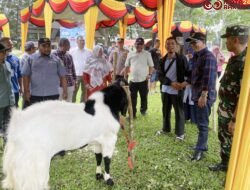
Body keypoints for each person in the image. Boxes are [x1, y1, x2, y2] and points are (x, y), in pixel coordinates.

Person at [209, 25, 249, 171]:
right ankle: (225, 164)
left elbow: (244, 96)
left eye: (227, 40)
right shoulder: (235, 59)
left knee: (233, 139)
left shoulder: (245, 63)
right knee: (224, 137)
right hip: (226, 107)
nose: (226, 43)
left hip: (234, 112)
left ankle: (234, 169)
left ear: (235, 40)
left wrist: (234, 119)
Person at [186, 32, 217, 161]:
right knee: (200, 123)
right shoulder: (196, 56)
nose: (193, 45)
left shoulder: (208, 56)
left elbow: (208, 78)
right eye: (191, 43)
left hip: (203, 95)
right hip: (197, 94)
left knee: (203, 125)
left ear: (203, 41)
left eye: (195, 42)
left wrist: (204, 95)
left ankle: (200, 151)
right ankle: (201, 146)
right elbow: (195, 75)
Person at [156, 37, 189, 140]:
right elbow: (160, 76)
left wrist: (184, 83)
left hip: (178, 90)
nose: (170, 46)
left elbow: (188, 72)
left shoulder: (182, 58)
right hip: (166, 90)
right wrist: (171, 83)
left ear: (176, 46)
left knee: (179, 111)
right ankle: (166, 129)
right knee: (165, 110)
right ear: (165, 46)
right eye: (168, 44)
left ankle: (180, 133)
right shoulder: (162, 60)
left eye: (172, 43)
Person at [22, 37, 67, 106]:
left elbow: (63, 76)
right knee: (36, 115)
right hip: (35, 94)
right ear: (38, 46)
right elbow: (25, 75)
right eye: (44, 46)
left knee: (51, 115)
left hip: (53, 94)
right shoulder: (31, 59)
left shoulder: (57, 60)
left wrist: (65, 91)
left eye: (49, 46)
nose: (47, 48)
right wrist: (26, 91)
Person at [124, 37, 154, 118]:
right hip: (132, 80)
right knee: (132, 98)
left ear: (143, 45)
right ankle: (132, 113)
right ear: (135, 45)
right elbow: (126, 66)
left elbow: (151, 66)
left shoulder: (147, 54)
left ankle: (143, 110)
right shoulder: (130, 54)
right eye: (137, 44)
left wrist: (150, 74)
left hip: (143, 80)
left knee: (144, 97)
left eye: (141, 44)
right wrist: (125, 77)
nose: (139, 46)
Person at [52, 38, 76, 102]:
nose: (69, 47)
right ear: (62, 45)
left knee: (68, 104)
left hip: (70, 84)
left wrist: (74, 80)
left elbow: (72, 69)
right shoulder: (53, 55)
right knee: (58, 105)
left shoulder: (69, 56)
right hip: (58, 85)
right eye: (68, 45)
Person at [0, 37, 22, 107]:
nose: (11, 46)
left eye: (12, 44)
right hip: (2, 94)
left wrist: (21, 87)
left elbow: (19, 74)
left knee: (14, 114)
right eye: (9, 44)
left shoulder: (15, 58)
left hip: (14, 92)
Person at [70, 36, 92, 102]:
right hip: (76, 75)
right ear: (77, 42)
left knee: (85, 92)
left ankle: (82, 107)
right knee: (74, 92)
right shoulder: (72, 51)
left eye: (83, 40)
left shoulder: (89, 51)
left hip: (86, 75)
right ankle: (72, 106)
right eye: (80, 40)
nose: (82, 42)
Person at [0, 42, 15, 138]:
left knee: (8, 125)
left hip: (10, 100)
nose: (4, 54)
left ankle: (6, 145)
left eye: (5, 51)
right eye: (2, 52)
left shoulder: (8, 64)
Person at [20, 41, 37, 108]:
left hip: (28, 85)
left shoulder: (25, 56)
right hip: (27, 85)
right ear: (31, 48)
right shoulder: (27, 58)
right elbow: (26, 74)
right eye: (35, 48)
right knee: (27, 104)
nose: (36, 50)